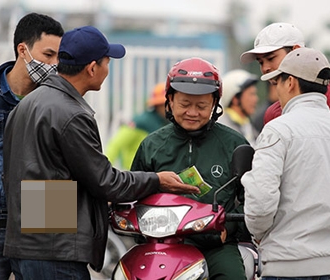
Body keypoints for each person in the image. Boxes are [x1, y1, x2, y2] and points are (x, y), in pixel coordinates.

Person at [2, 26, 199, 280]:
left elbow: (36, 179)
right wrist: (157, 180)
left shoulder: (28, 103)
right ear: (92, 68)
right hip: (55, 251)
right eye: (107, 62)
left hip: (27, 243)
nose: (108, 70)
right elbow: (105, 182)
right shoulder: (71, 113)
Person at [131, 57, 250, 280]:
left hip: (216, 246)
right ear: (170, 101)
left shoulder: (235, 143)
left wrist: (230, 230)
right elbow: (135, 193)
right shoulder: (151, 145)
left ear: (215, 105)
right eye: (185, 104)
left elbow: (251, 199)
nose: (192, 113)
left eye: (201, 106)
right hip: (161, 245)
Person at [0, 12, 64, 280]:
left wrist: (54, 225)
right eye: (48, 55)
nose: (55, 65)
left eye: (60, 57)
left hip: (44, 214)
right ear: (23, 49)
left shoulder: (59, 101)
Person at [242, 47, 330, 279]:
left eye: (276, 82)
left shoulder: (277, 130)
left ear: (289, 82)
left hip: (289, 265)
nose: (276, 90)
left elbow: (260, 202)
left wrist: (258, 234)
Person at [240, 22, 330, 125]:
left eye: (271, 58)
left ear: (296, 51)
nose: (265, 68)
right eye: (261, 62)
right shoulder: (272, 113)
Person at [106, 82, 168, 170]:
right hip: (135, 175)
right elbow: (116, 144)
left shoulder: (168, 122)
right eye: (164, 104)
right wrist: (104, 171)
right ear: (157, 105)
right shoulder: (141, 122)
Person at [218, 69, 259, 146]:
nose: (256, 99)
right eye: (251, 94)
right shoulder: (224, 130)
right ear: (235, 98)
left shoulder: (246, 124)